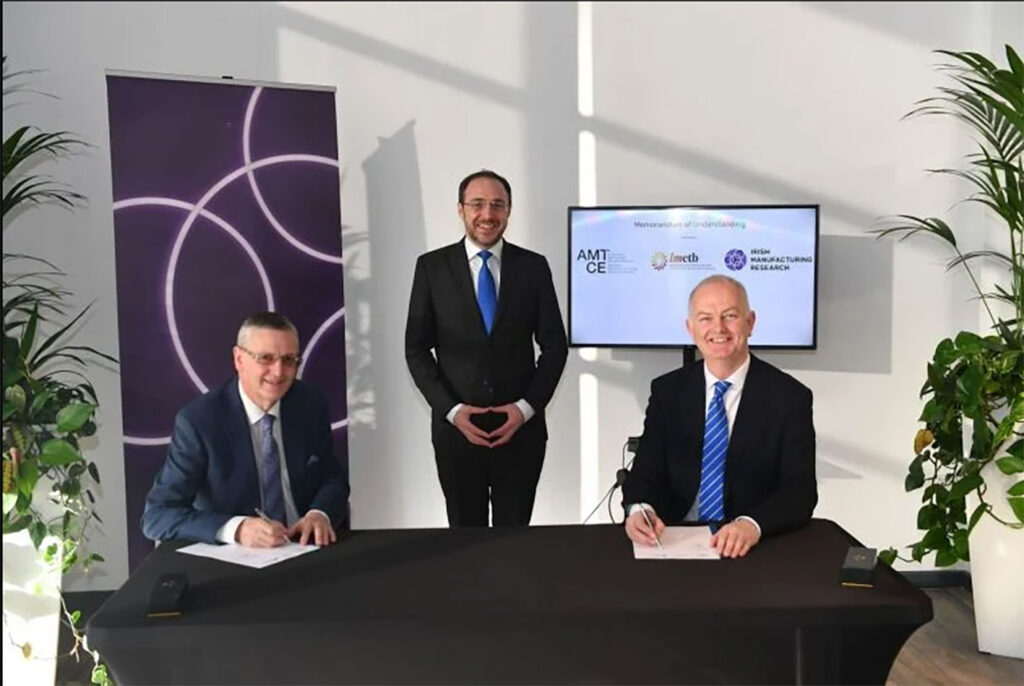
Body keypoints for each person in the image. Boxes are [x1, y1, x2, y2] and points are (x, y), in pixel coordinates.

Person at [405, 169, 568, 527]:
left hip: (521, 433)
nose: (488, 214)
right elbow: (416, 350)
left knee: (515, 543)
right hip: (456, 433)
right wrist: (452, 410)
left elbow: (555, 347)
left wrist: (525, 409)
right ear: (460, 209)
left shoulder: (534, 267)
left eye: (497, 205)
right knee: (464, 541)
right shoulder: (432, 268)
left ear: (509, 211)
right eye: (477, 204)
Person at [622, 274, 816, 557]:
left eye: (730, 316)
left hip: (750, 546)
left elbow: (800, 493)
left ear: (750, 323)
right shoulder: (667, 391)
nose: (718, 328)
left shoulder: (789, 397)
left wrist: (751, 525)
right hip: (674, 540)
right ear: (690, 328)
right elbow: (644, 473)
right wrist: (640, 509)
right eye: (705, 318)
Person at [142, 312, 349, 547]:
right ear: (239, 359)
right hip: (235, 558)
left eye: (289, 360)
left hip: (303, 548)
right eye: (266, 358)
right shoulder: (199, 421)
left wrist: (319, 513)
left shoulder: (310, 404)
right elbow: (158, 515)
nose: (279, 372)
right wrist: (237, 529)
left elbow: (333, 477)